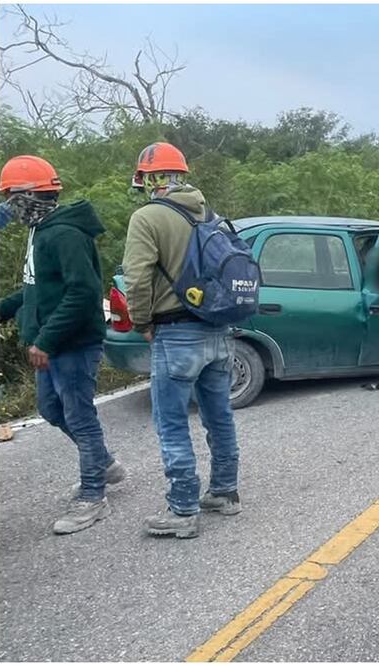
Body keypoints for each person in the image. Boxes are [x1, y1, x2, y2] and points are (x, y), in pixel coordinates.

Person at [0, 155, 123, 534]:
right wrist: (3, 309)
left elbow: (83, 293)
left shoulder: (64, 234)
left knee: (80, 418)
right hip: (51, 343)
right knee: (52, 410)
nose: (8, 208)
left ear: (29, 196)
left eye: (10, 198)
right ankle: (104, 464)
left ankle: (93, 497)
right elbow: (39, 288)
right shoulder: (42, 230)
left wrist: (47, 340)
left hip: (73, 344)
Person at [122, 142, 240, 539]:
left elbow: (137, 278)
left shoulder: (147, 217)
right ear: (182, 176)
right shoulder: (212, 214)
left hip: (175, 332)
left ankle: (183, 509)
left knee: (171, 423)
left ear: (150, 179)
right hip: (218, 328)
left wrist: (142, 323)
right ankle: (225, 492)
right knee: (219, 415)